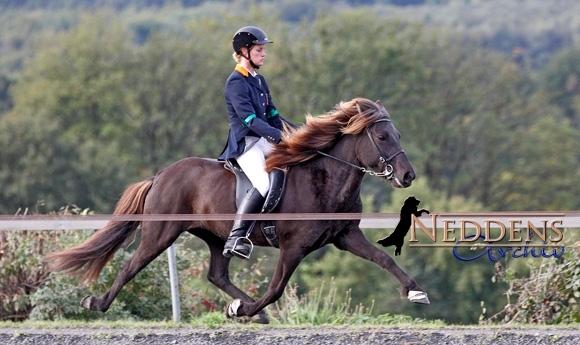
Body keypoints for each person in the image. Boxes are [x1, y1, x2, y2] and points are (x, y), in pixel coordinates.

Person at [218, 26, 287, 259]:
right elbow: (250, 120)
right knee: (263, 183)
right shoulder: (235, 83)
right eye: (259, 50)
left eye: (263, 50)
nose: (264, 54)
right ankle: (236, 237)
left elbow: (273, 116)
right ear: (244, 52)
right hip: (246, 143)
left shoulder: (260, 80)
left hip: (263, 139)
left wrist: (296, 135)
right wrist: (278, 137)